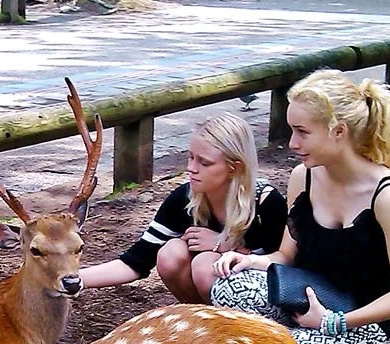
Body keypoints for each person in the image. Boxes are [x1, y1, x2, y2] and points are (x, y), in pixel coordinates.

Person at [211, 70, 390, 344]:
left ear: (338, 131)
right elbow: (286, 256)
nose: (292, 143)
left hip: (358, 319)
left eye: (302, 132)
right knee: (228, 287)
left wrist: (333, 322)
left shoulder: (387, 196)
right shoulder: (303, 177)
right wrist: (248, 261)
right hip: (304, 297)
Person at [80, 112, 286, 304]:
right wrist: (73, 279)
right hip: (215, 290)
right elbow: (136, 261)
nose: (191, 168)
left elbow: (288, 262)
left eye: (205, 163)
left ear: (235, 168)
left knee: (205, 264)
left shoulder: (267, 202)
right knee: (171, 253)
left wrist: (227, 246)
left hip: (265, 297)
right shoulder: (185, 197)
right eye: (191, 157)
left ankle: (229, 324)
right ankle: (200, 317)